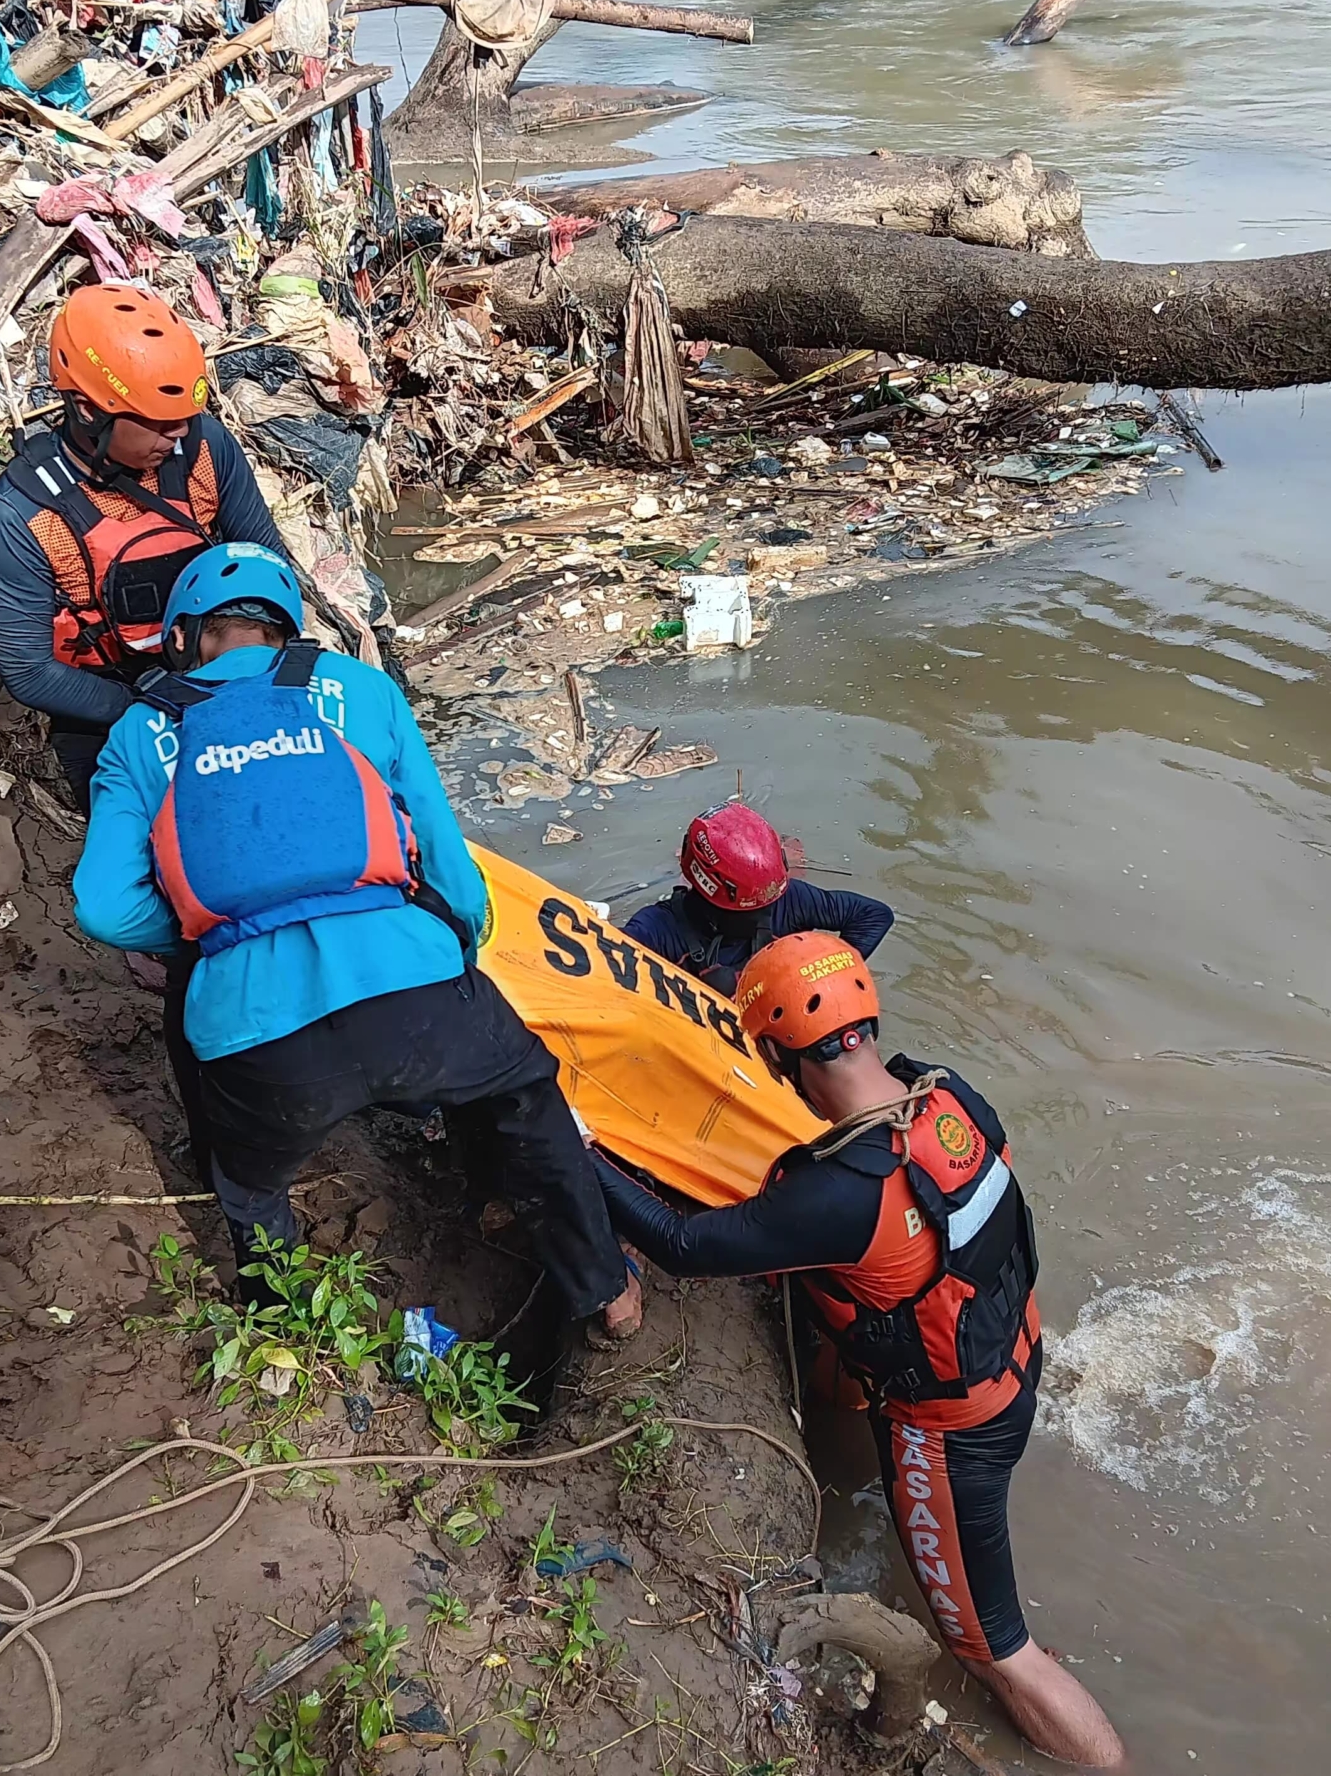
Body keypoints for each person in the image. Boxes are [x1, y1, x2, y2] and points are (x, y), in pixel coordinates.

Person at [73, 541, 644, 1352]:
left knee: (248, 1186)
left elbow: (103, 908)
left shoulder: (141, 732)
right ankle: (606, 1293)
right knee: (523, 1093)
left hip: (257, 1036)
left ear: (184, 637)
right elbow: (455, 877)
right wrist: (447, 960)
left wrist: (216, 929)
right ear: (288, 629)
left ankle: (282, 1330)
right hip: (413, 992)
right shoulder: (362, 689)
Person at [589, 932, 1124, 1768]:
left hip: (948, 1432)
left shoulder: (838, 1195)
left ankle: (1105, 1762)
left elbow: (683, 1246)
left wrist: (578, 1149)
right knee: (855, 1316)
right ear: (865, 1022)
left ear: (776, 1054)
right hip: (1013, 1361)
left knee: (993, 1650)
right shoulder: (948, 1095)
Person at [0, 283, 291, 796]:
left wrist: (243, 680)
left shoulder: (204, 447)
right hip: (108, 702)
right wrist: (154, 708)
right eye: (158, 423)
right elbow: (30, 671)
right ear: (87, 409)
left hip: (219, 673)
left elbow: (267, 569)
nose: (179, 434)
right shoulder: (21, 513)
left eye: (184, 417)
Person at [621, 802, 895, 997]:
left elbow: (873, 916)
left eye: (767, 904)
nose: (765, 914)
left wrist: (822, 977)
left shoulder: (787, 900)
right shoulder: (658, 931)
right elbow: (609, 969)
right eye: (750, 911)